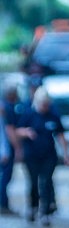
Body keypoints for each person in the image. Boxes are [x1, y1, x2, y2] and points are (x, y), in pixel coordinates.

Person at [15, 88, 69, 227]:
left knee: (46, 182)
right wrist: (26, 132)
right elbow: (17, 130)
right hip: (32, 156)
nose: (45, 107)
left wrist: (66, 154)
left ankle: (45, 212)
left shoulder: (53, 116)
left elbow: (61, 136)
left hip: (48, 156)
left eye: (47, 104)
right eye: (43, 104)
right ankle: (33, 207)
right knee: (33, 183)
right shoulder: (29, 115)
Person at [1, 81, 22, 216]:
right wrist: (18, 148)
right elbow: (9, 131)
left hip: (4, 148)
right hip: (5, 149)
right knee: (4, 178)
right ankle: (2, 204)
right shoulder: (7, 108)